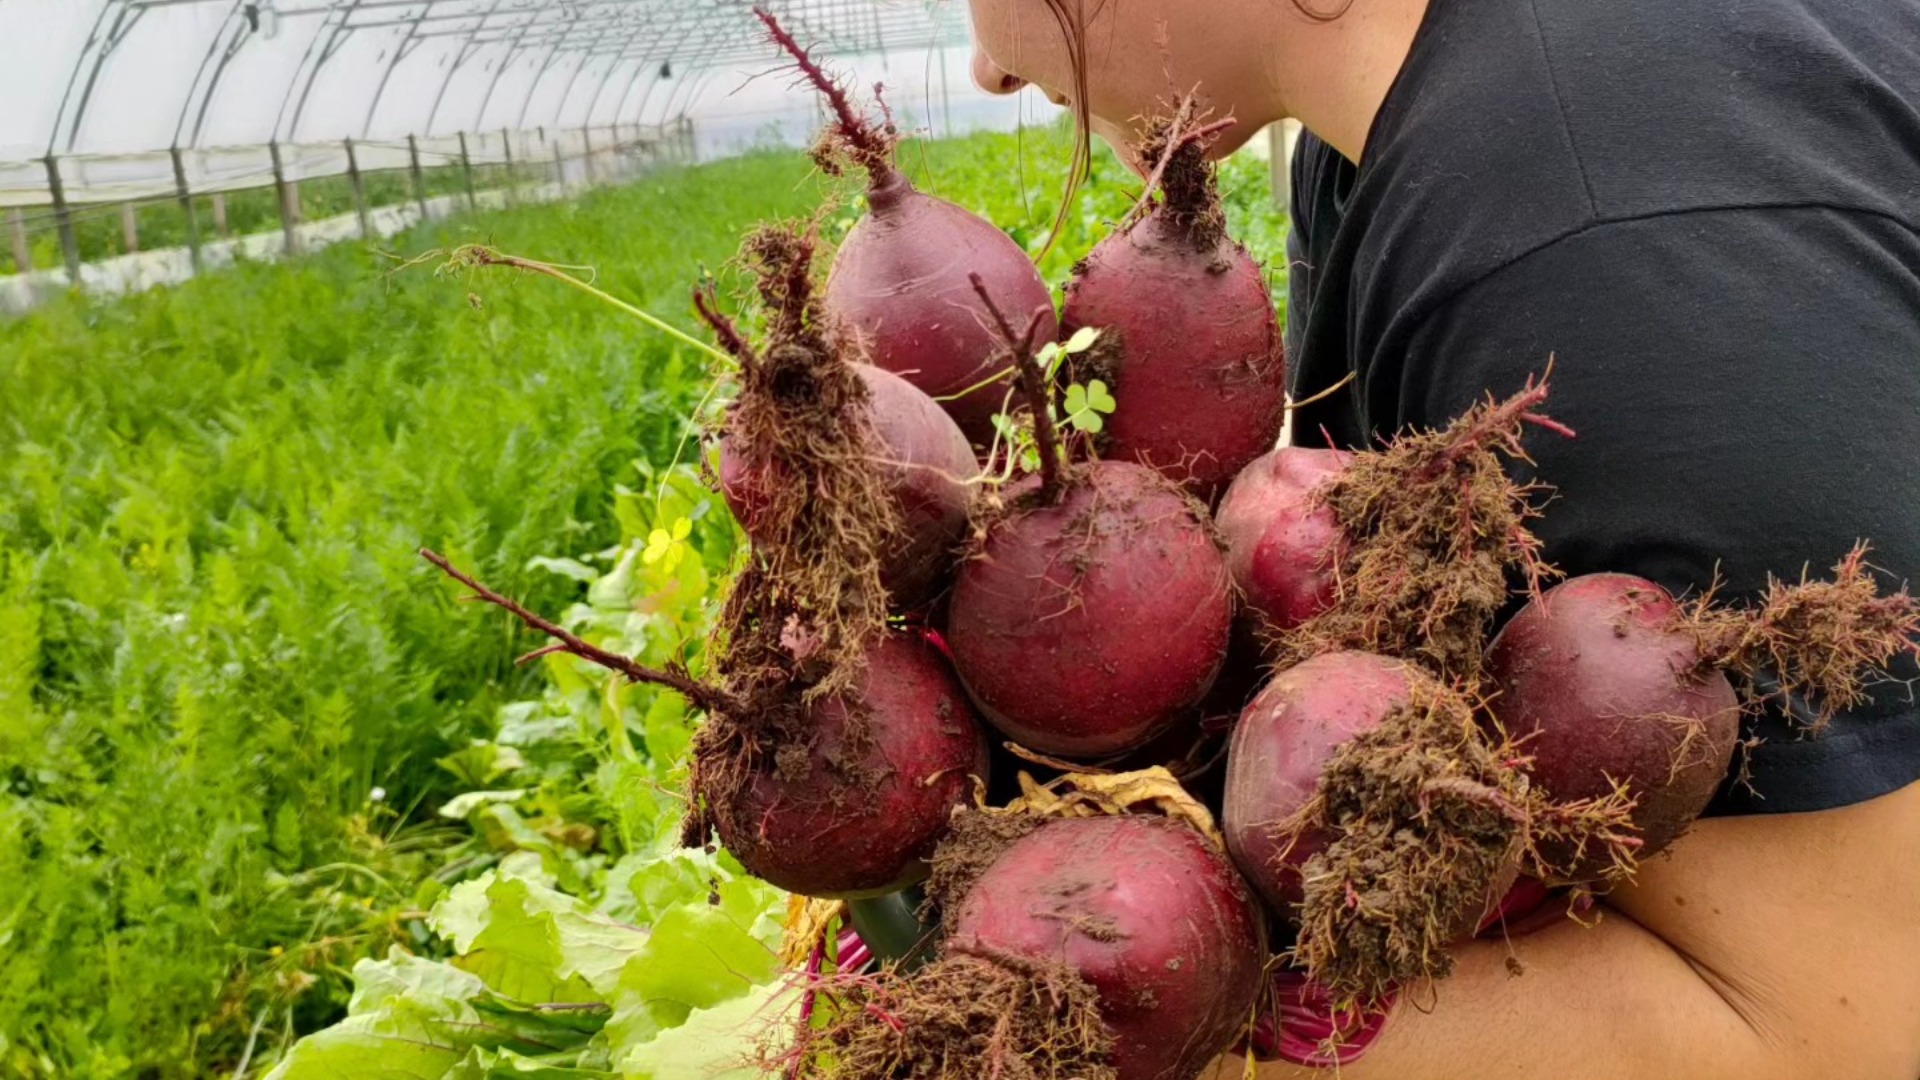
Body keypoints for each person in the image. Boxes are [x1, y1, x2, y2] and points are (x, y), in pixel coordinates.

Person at [964, 0, 1920, 1077]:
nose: (986, 67)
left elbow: (1842, 1035)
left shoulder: (1602, 250)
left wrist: (1169, 1031)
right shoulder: (1377, 129)